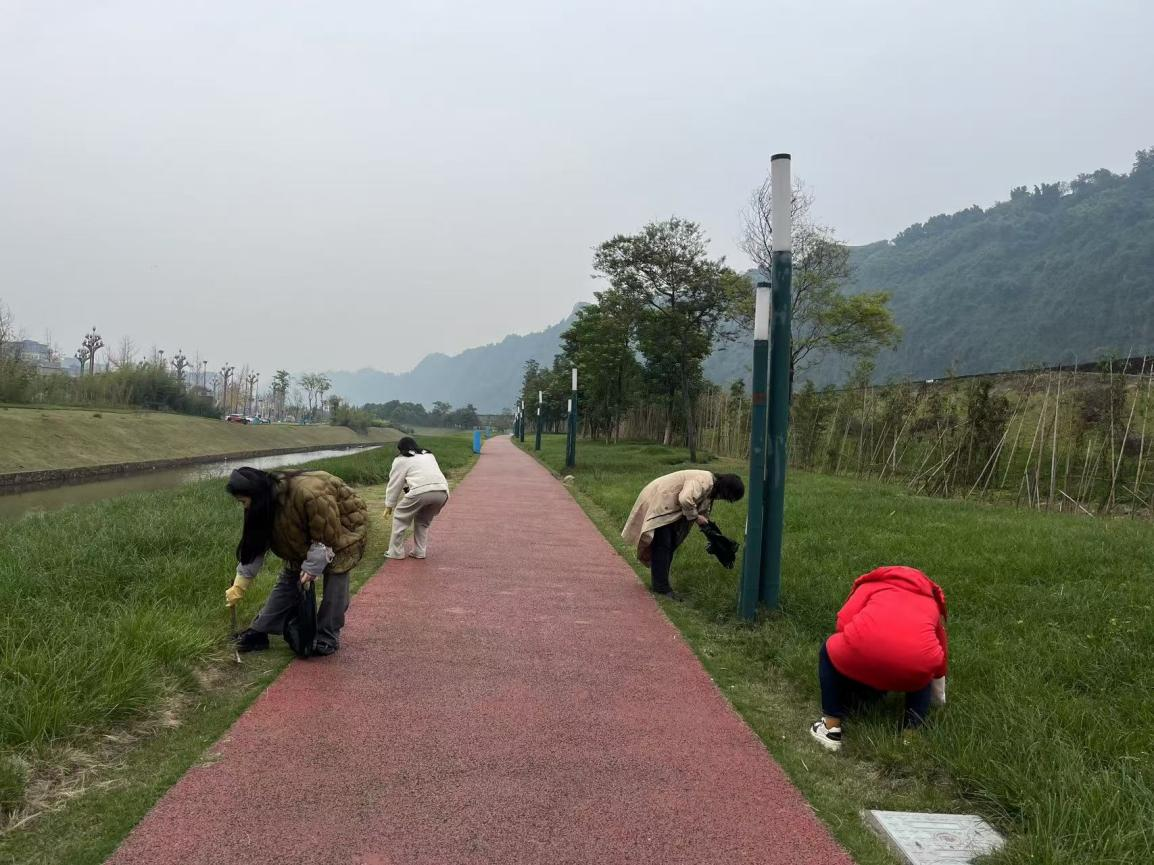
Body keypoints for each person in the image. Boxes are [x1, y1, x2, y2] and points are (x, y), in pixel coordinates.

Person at [224, 466, 368, 656]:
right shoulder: (260, 504)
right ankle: (259, 631)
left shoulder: (308, 493)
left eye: (243, 501)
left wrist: (311, 568)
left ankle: (326, 636)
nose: (244, 507)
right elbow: (255, 545)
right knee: (290, 578)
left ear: (255, 494)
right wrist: (240, 584)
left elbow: (326, 538)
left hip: (343, 528)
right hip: (308, 534)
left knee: (335, 584)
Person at [809, 565, 949, 752]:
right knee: (924, 667)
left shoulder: (871, 586)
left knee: (829, 650)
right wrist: (938, 698)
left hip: (861, 651)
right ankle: (911, 736)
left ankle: (831, 727)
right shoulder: (930, 603)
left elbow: (842, 623)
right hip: (913, 666)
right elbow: (940, 657)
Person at [621, 469, 745, 599]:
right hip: (659, 498)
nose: (723, 499)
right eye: (727, 497)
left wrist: (712, 533)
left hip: (665, 502)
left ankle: (661, 585)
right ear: (726, 489)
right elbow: (685, 499)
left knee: (669, 544)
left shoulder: (710, 488)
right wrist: (696, 517)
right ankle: (661, 588)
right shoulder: (704, 480)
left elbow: (702, 511)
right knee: (663, 545)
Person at [383, 437, 450, 560]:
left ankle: (395, 552)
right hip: (442, 492)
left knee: (400, 516)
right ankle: (419, 551)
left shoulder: (400, 460)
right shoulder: (428, 455)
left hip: (421, 491)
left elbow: (395, 483)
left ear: (400, 449)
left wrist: (389, 505)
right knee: (422, 521)